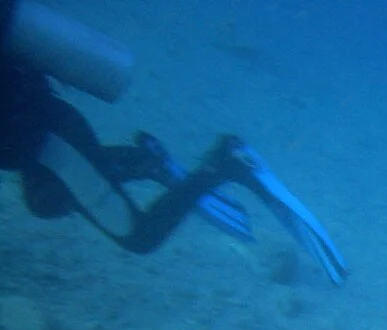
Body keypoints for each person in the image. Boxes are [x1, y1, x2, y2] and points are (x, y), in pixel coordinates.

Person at [1, 1, 347, 284]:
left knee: (139, 235)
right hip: (34, 138)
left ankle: (226, 163)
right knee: (46, 202)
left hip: (50, 141)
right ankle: (147, 161)